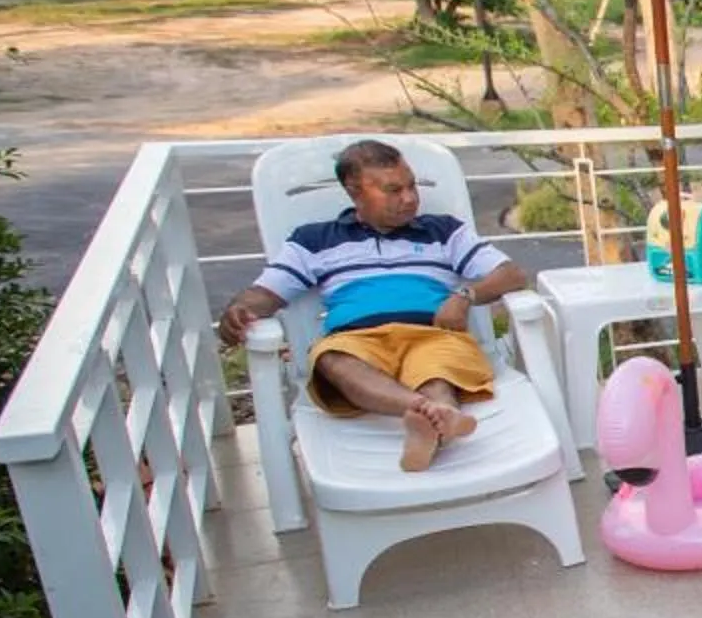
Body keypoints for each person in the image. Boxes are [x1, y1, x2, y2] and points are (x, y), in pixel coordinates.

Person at [213, 138, 535, 471]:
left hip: (432, 333)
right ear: (355, 192)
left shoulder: (443, 231)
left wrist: (464, 296)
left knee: (436, 369)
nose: (409, 198)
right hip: (357, 341)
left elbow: (511, 275)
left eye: (411, 186)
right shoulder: (315, 240)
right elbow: (266, 293)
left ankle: (428, 418)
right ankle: (429, 413)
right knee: (330, 359)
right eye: (393, 190)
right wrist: (239, 312)